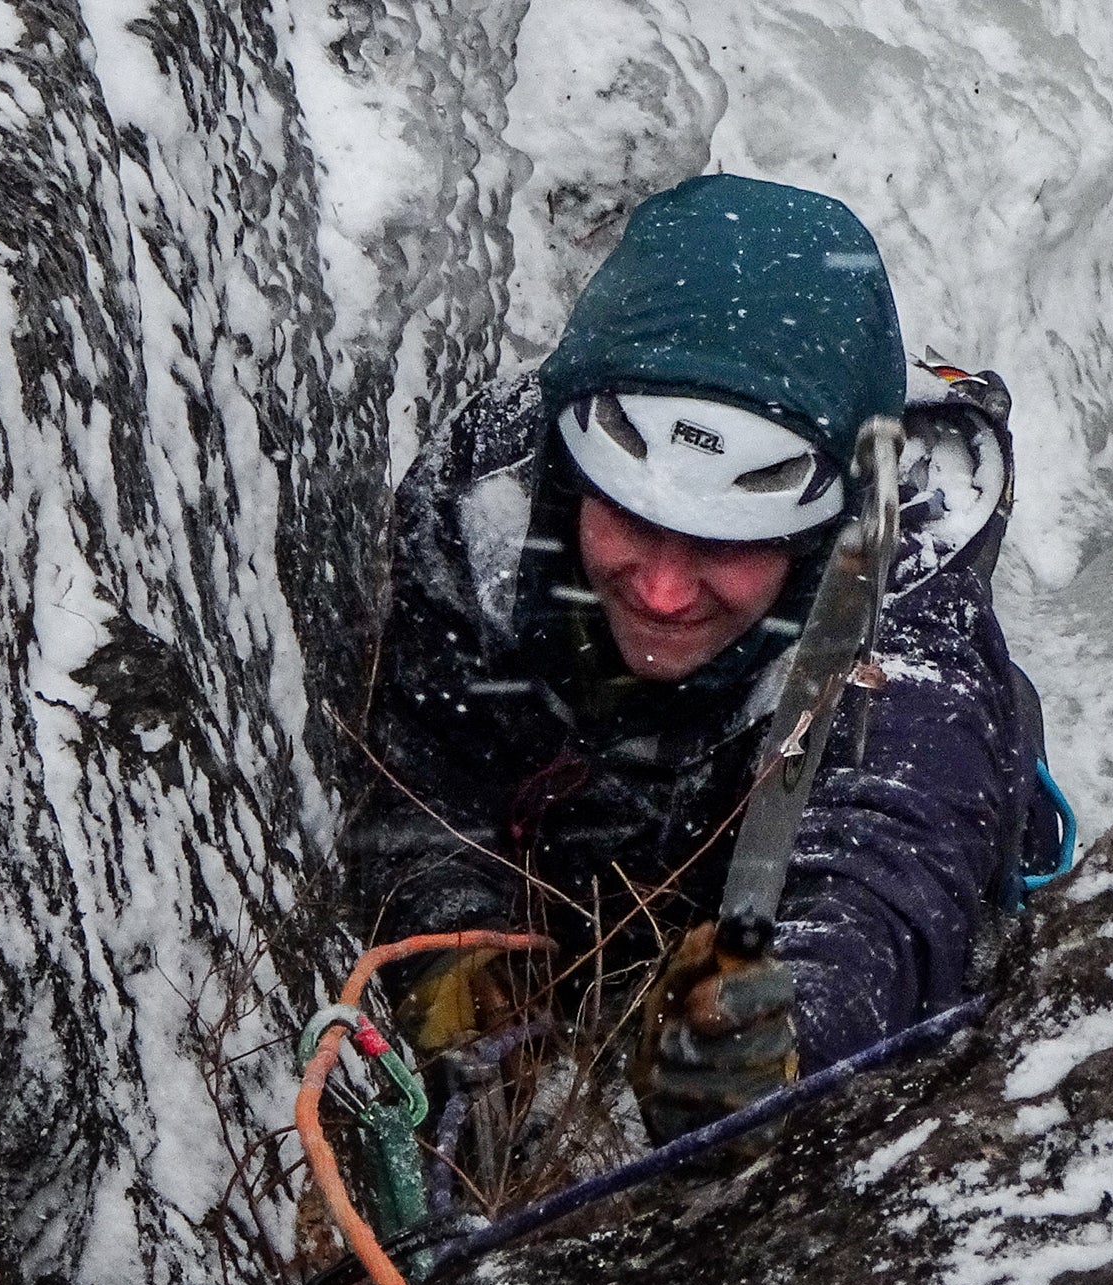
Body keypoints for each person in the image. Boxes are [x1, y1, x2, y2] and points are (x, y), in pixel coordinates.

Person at [347, 173, 1057, 1145]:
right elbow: (424, 783)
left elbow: (897, 854)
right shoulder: (492, 498)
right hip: (591, 856)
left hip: (768, 875)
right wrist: (471, 984)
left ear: (817, 533)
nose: (667, 591)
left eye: (726, 542)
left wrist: (787, 1024)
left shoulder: (901, 575)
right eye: (635, 521)